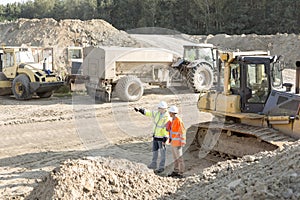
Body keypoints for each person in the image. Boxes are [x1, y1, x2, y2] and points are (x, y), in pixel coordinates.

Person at [134, 101, 170, 173]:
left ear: (164, 109)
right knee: (155, 151)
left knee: (162, 153)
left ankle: (161, 167)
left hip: (162, 138)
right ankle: (153, 164)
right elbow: (149, 113)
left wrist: (165, 137)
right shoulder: (157, 113)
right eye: (158, 108)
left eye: (160, 108)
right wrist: (141, 110)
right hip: (155, 136)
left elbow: (167, 128)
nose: (158, 109)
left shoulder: (167, 117)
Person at [166, 105, 186, 178]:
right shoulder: (173, 120)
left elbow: (182, 132)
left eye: (170, 112)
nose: (169, 113)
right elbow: (172, 131)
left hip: (178, 144)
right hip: (173, 143)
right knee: (175, 159)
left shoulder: (178, 120)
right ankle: (176, 171)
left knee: (180, 159)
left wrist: (182, 142)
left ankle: (181, 173)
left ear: (172, 113)